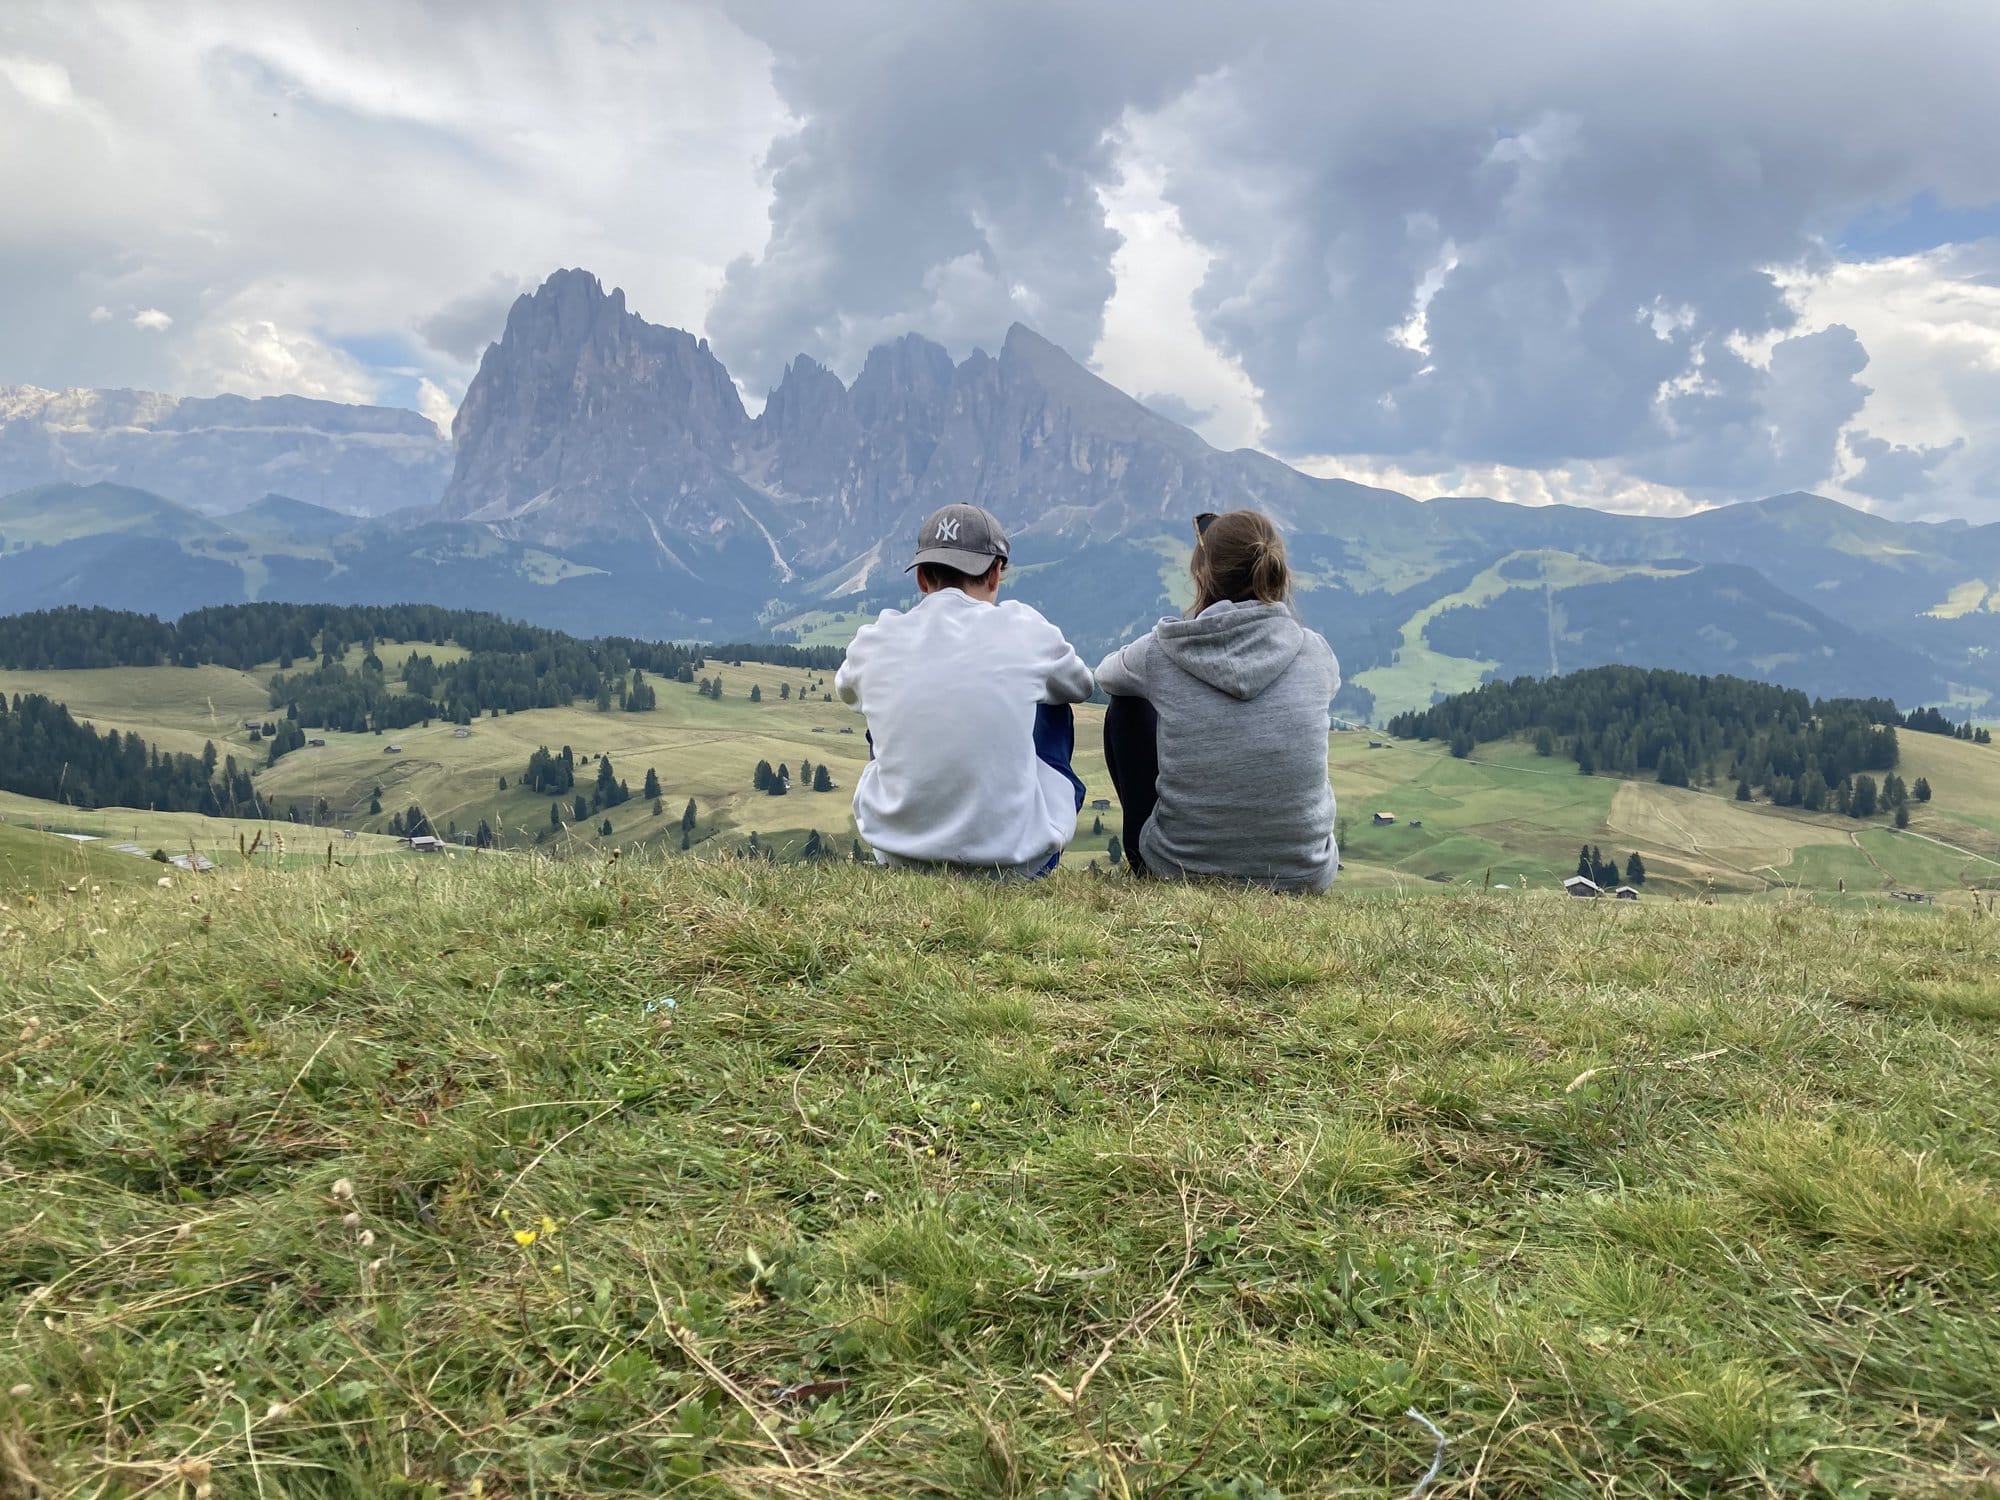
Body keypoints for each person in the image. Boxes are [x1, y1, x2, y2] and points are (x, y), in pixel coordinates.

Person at [836, 503, 1093, 876]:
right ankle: (1025, 827)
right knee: (1055, 704)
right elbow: (1081, 686)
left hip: (897, 856)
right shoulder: (1026, 629)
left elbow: (846, 691)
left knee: (884, 711)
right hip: (1015, 865)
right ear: (995, 575)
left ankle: (916, 824)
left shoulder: (876, 639)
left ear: (922, 578)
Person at [1093, 509, 1339, 891]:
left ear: (1202, 574)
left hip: (1180, 868)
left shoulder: (1161, 652)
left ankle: (1148, 864)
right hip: (1304, 875)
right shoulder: (1316, 652)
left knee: (1125, 706)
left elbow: (1105, 674)